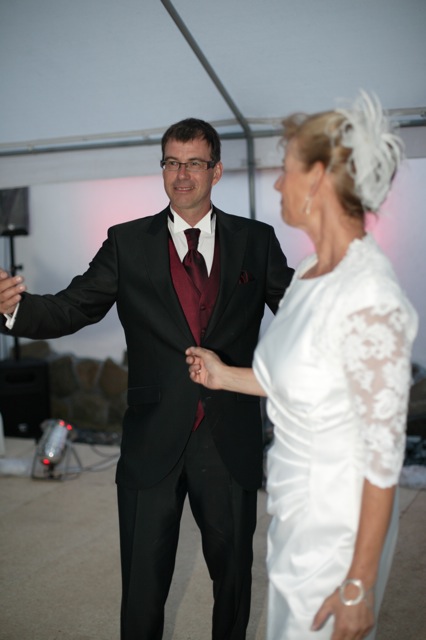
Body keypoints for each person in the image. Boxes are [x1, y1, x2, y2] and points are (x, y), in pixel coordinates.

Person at [0, 117, 294, 639]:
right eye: (171, 163)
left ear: (216, 170)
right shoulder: (127, 242)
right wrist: (12, 310)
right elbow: (72, 307)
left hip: (228, 438)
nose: (182, 175)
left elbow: (298, 312)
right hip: (151, 436)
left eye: (194, 163)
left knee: (233, 580)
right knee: (142, 584)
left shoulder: (256, 240)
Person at [186, 93, 418, 640]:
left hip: (337, 527)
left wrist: (358, 584)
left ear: (317, 178)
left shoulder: (369, 296)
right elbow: (301, 380)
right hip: (293, 511)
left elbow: (383, 460)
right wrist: (223, 375)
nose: (275, 185)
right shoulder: (313, 270)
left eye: (285, 169)